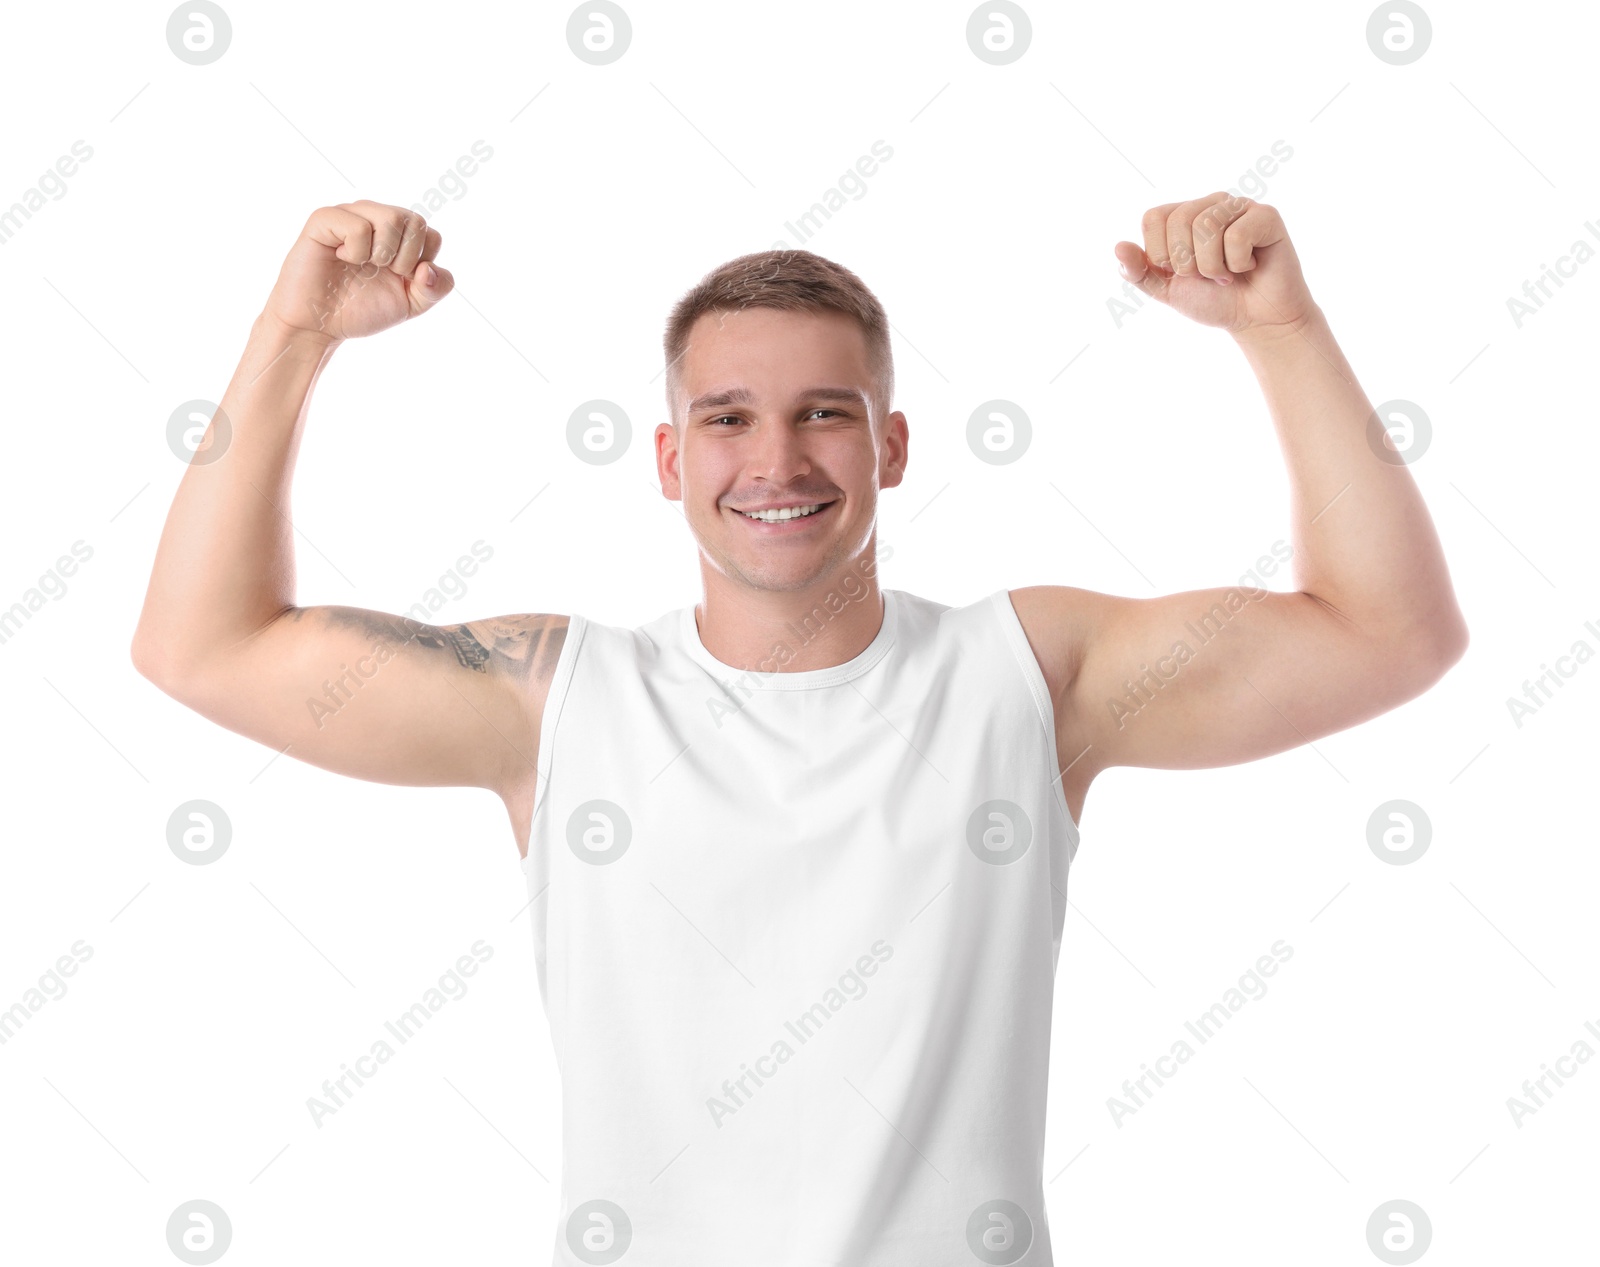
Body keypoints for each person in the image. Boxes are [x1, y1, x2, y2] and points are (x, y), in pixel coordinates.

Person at [131, 197, 1468, 1265]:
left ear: (890, 447)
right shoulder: (553, 699)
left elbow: (1389, 635)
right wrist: (292, 334)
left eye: (823, 414)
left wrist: (1280, 326)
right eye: (727, 419)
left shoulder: (1029, 676)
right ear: (670, 461)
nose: (776, 463)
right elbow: (205, 647)